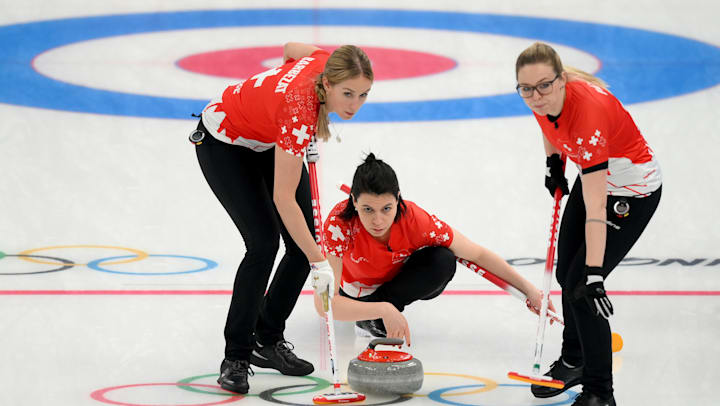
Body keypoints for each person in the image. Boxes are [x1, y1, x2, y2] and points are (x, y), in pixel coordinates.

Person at [192, 42, 373, 394]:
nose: (354, 105)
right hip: (224, 141)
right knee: (262, 244)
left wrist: (273, 111)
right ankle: (236, 357)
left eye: (363, 95)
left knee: (303, 241)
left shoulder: (325, 60)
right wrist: (320, 263)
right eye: (347, 94)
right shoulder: (299, 111)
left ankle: (268, 338)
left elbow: (292, 48)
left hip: (267, 137)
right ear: (327, 85)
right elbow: (283, 199)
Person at [515, 42, 662, 406]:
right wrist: (553, 165)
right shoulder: (541, 98)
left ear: (561, 80)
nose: (535, 96)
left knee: (582, 286)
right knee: (567, 274)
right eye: (526, 89)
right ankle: (574, 359)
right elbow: (549, 124)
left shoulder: (589, 119)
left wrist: (596, 273)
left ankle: (600, 391)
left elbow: (597, 207)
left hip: (630, 190)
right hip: (593, 173)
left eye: (544, 86)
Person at [314, 153, 555, 345]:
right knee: (370, 304)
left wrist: (530, 290)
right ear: (353, 201)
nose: (378, 220)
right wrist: (383, 309)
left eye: (386, 208)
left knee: (443, 259)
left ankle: (376, 315)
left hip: (393, 283)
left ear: (398, 199)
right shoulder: (339, 225)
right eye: (367, 209)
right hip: (356, 292)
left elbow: (477, 254)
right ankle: (370, 316)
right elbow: (324, 305)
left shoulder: (416, 221)